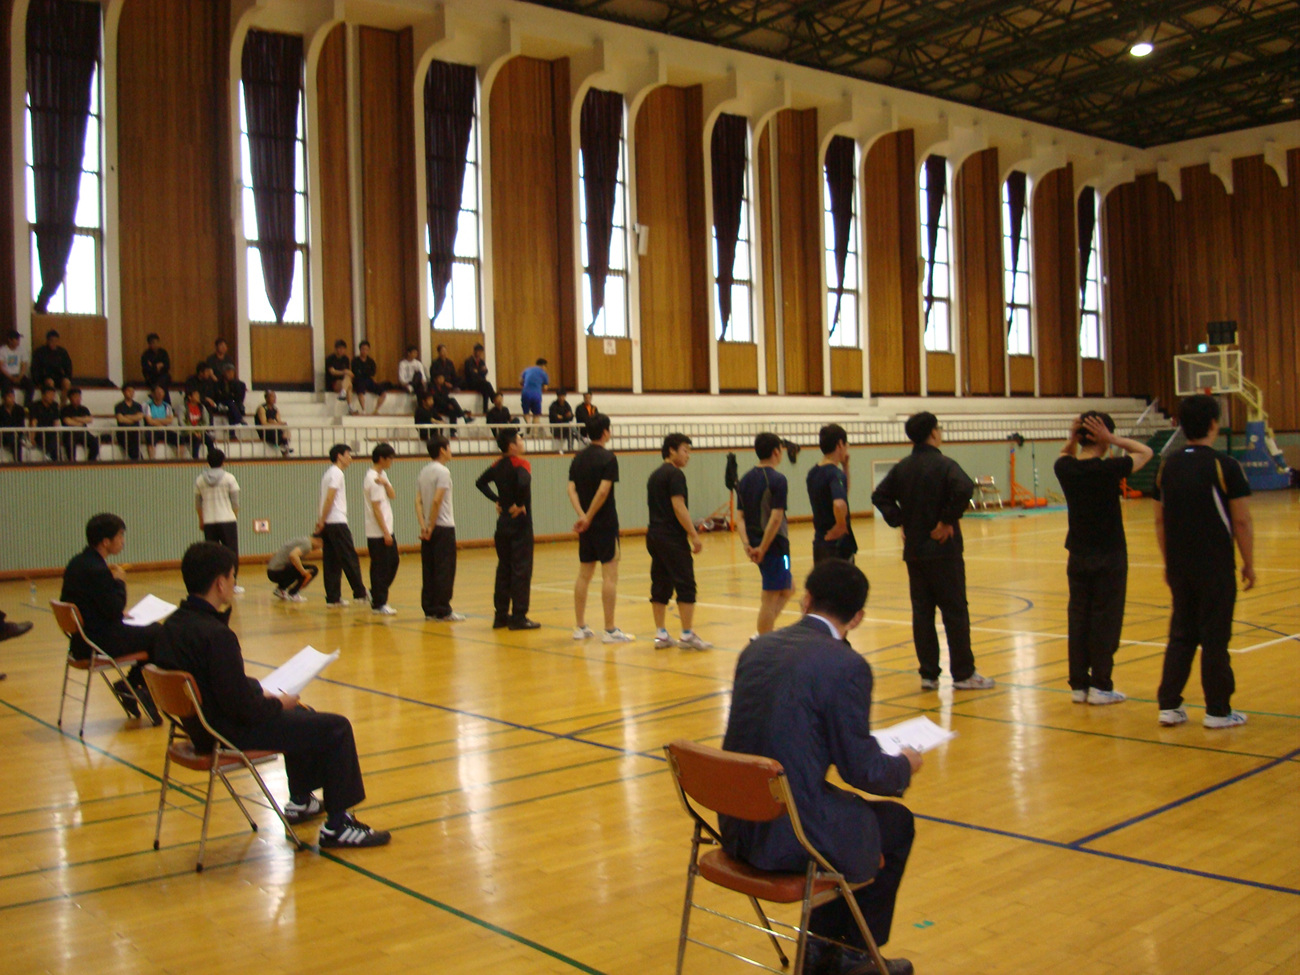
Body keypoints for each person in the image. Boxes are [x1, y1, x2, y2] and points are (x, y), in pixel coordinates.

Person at [720, 560, 919, 975]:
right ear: (858, 617)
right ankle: (851, 953)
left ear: (806, 600)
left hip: (737, 824)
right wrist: (904, 765)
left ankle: (821, 949)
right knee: (895, 824)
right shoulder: (846, 666)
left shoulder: (757, 648)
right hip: (786, 834)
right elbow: (861, 771)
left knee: (839, 813)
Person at [153, 542, 390, 848]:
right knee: (336, 727)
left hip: (199, 728)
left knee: (302, 715)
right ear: (220, 583)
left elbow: (215, 683)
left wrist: (258, 691)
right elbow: (244, 709)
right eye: (233, 576)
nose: (234, 582)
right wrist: (277, 702)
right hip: (227, 733)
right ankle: (338, 826)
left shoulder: (173, 626)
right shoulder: (216, 635)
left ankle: (301, 800)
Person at [872, 411, 994, 692]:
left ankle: (928, 674)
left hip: (915, 551)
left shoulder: (903, 468)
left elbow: (879, 495)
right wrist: (947, 519)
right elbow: (965, 487)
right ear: (933, 433)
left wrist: (901, 521)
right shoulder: (945, 465)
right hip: (943, 550)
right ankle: (963, 673)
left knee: (922, 613)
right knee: (955, 612)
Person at [1153, 394, 1255, 729]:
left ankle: (1169, 706)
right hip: (1215, 567)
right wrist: (1249, 563)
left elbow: (1159, 521)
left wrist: (1169, 563)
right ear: (1214, 423)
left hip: (1180, 568)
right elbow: (1241, 521)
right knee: (1214, 638)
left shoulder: (1167, 465)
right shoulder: (1225, 466)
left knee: (1181, 635)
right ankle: (1217, 710)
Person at [1055, 412, 1153, 705]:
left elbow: (1064, 453)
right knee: (1105, 619)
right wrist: (1112, 439)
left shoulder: (1066, 468)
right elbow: (1145, 452)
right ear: (1104, 437)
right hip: (1109, 554)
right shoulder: (1110, 468)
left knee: (1078, 617)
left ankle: (1078, 685)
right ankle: (1101, 685)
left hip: (1078, 555)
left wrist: (1073, 437)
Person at [59, 513, 161, 722]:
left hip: (80, 641)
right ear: (106, 541)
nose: (123, 541)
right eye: (120, 536)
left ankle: (132, 685)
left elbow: (87, 601)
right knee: (160, 634)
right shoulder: (98, 570)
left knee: (153, 632)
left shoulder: (77, 563)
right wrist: (119, 582)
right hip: (98, 642)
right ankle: (134, 685)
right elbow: (115, 607)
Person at [568, 415, 633, 643]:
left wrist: (582, 516)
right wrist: (589, 517)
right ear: (605, 432)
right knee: (610, 576)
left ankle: (580, 627)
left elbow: (571, 489)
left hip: (586, 527)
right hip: (605, 524)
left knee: (584, 574)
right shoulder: (608, 458)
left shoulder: (578, 458)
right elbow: (604, 491)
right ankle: (610, 629)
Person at [646, 433, 710, 651]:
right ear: (671, 450)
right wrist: (694, 534)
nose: (688, 455)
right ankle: (687, 634)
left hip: (654, 535)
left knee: (660, 583)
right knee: (685, 584)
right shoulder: (675, 475)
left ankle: (661, 634)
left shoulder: (654, 475)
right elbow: (678, 506)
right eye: (685, 450)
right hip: (671, 537)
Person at [475, 428, 539, 630]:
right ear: (512, 446)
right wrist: (520, 503)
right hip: (520, 524)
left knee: (504, 569)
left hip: (502, 524)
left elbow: (480, 483)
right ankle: (519, 616)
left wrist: (498, 500)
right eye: (519, 439)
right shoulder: (521, 463)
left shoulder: (497, 465)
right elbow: (524, 482)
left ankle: (501, 615)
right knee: (521, 570)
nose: (522, 442)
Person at [736, 433, 794, 636]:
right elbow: (776, 518)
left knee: (788, 588)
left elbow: (739, 518)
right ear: (776, 452)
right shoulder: (777, 479)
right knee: (770, 596)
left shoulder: (744, 480)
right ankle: (762, 638)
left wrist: (747, 545)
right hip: (774, 545)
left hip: (756, 544)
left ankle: (764, 632)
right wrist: (762, 548)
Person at [417, 435, 463, 622]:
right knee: (445, 569)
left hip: (429, 528)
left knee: (429, 569)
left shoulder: (424, 471)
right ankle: (443, 610)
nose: (450, 451)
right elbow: (437, 500)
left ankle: (429, 609)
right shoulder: (443, 472)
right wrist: (431, 525)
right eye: (449, 447)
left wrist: (424, 526)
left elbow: (418, 502)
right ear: (442, 450)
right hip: (442, 527)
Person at [316, 444, 368, 608]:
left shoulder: (328, 473)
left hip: (328, 523)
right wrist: (322, 520)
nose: (350, 458)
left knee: (331, 561)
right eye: (348, 455)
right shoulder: (337, 473)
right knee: (349, 557)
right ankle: (360, 593)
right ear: (339, 456)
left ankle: (333, 597)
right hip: (337, 521)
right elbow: (330, 498)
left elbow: (323, 499)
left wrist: (322, 520)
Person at [807, 424, 857, 565]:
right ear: (840, 444)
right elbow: (839, 503)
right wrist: (841, 525)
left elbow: (842, 495)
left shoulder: (813, 473)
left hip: (820, 542)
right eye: (846, 444)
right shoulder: (834, 474)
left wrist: (845, 466)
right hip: (837, 546)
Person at [196, 448, 243, 593]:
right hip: (227, 519)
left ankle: (214, 584)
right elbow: (235, 502)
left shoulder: (200, 479)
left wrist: (201, 519)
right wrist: (234, 515)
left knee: (212, 555)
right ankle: (232, 584)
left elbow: (198, 504)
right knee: (231, 553)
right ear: (223, 461)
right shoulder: (229, 478)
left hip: (209, 520)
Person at [363, 443, 399, 616]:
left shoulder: (382, 476)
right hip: (378, 532)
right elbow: (376, 508)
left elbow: (392, 495)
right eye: (389, 458)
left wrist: (386, 483)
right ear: (381, 459)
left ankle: (376, 592)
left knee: (393, 562)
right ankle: (379, 603)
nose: (391, 461)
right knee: (380, 567)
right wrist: (385, 532)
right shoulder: (373, 479)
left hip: (387, 529)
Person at [268, 534, 322, 601]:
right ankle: (293, 593)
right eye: (321, 545)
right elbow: (293, 555)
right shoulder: (307, 545)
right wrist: (303, 571)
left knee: (296, 567)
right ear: (319, 541)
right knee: (313, 570)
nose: (319, 548)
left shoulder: (302, 540)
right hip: (277, 572)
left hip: (271, 571)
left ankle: (280, 589)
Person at [31, 330, 73, 404]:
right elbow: (35, 368)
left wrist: (67, 377)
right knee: (50, 382)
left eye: (56, 341)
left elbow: (68, 366)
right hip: (45, 377)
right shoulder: (40, 352)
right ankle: (52, 404)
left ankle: (63, 405)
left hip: (58, 376)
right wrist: (37, 381)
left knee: (67, 383)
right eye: (51, 341)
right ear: (47, 341)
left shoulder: (62, 352)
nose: (54, 343)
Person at [60, 387, 99, 462]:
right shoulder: (65, 409)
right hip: (70, 433)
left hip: (83, 432)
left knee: (95, 442)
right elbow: (68, 421)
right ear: (70, 398)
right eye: (75, 396)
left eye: (79, 396)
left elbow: (89, 419)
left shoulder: (84, 409)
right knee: (70, 444)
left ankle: (90, 462)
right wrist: (82, 421)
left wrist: (75, 418)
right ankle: (72, 463)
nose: (78, 398)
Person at [28, 384, 62, 461]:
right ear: (43, 395)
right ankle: (49, 456)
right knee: (49, 440)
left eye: (53, 395)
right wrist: (32, 438)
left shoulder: (54, 406)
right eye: (50, 394)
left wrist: (58, 437)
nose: (52, 397)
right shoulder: (35, 406)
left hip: (51, 433)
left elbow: (56, 422)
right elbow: (33, 422)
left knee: (54, 440)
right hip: (40, 433)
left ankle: (56, 460)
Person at [178, 388, 215, 459]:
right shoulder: (183, 408)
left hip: (200, 432)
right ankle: (195, 460)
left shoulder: (202, 407)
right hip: (187, 433)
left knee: (209, 441)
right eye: (196, 395)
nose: (198, 397)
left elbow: (206, 422)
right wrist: (193, 432)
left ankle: (212, 459)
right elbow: (182, 423)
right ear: (190, 397)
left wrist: (199, 431)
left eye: (198, 395)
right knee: (196, 440)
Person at [351, 341, 387, 414]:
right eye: (363, 349)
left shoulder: (371, 361)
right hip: (359, 380)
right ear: (360, 349)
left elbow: (372, 372)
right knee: (360, 391)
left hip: (368, 380)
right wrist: (364, 373)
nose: (364, 351)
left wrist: (363, 372)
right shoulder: (355, 361)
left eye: (366, 349)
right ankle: (363, 410)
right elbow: (355, 372)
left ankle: (376, 410)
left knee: (383, 392)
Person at [143, 383, 178, 457]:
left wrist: (156, 420)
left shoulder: (167, 406)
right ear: (153, 394)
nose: (159, 394)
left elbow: (169, 420)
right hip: (152, 430)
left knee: (179, 439)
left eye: (161, 392)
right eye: (157, 392)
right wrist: (162, 421)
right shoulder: (147, 405)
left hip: (164, 429)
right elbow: (149, 421)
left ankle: (179, 460)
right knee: (150, 439)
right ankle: (152, 461)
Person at [1, 329, 35, 405]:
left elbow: (24, 365)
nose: (18, 342)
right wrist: (11, 377)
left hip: (18, 375)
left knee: (30, 385)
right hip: (7, 375)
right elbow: (1, 367)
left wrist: (20, 376)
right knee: (5, 386)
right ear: (10, 340)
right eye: (16, 340)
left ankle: (27, 406)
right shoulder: (2, 350)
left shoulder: (22, 350)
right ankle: (5, 405)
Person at [113, 383, 146, 461]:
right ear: (123, 392)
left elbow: (140, 417)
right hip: (123, 433)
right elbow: (120, 419)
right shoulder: (119, 406)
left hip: (135, 432)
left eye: (132, 391)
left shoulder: (138, 405)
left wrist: (127, 416)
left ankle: (140, 461)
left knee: (135, 448)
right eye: (129, 391)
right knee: (133, 450)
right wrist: (133, 419)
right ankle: (141, 461)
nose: (131, 393)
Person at [255, 390, 292, 455]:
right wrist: (274, 423)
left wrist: (275, 423)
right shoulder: (262, 408)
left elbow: (279, 421)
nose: (274, 398)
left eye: (275, 397)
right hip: (265, 431)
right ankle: (283, 447)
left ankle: (284, 447)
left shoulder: (275, 409)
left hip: (274, 428)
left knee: (285, 430)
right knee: (277, 433)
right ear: (266, 398)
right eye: (272, 396)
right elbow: (264, 423)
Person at [462, 343, 495, 412]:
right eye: (478, 351)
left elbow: (485, 372)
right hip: (471, 383)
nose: (480, 353)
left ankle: (485, 409)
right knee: (487, 383)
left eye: (481, 352)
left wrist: (477, 371)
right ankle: (494, 398)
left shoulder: (481, 361)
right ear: (475, 351)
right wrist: (480, 371)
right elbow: (471, 374)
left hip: (480, 382)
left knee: (485, 390)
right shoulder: (469, 361)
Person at [325, 339, 356, 410]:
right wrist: (344, 372)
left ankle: (343, 393)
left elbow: (348, 372)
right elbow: (332, 372)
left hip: (344, 381)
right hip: (333, 382)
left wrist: (349, 373)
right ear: (336, 349)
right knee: (349, 385)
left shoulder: (345, 359)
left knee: (349, 383)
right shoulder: (330, 358)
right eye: (339, 348)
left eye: (343, 349)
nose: (341, 350)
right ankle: (350, 406)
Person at [215, 363, 247, 427]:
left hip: (234, 405)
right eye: (229, 372)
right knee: (230, 404)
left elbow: (239, 398)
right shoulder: (219, 383)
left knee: (231, 408)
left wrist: (229, 395)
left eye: (232, 373)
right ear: (224, 373)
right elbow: (219, 396)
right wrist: (230, 395)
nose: (231, 375)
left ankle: (232, 432)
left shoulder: (238, 384)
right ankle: (239, 419)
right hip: (222, 404)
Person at [520, 357, 548, 426]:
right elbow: (545, 388)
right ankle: (534, 430)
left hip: (525, 393)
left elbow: (521, 382)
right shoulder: (543, 373)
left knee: (526, 412)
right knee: (536, 415)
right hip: (536, 394)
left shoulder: (527, 370)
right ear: (543, 365)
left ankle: (528, 423)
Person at [0, 387, 26, 461]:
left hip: (16, 435)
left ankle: (18, 463)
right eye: (9, 397)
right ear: (4, 398)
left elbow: (21, 425)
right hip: (3, 436)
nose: (11, 399)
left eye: (13, 396)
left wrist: (18, 434)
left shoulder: (19, 409)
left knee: (17, 442)